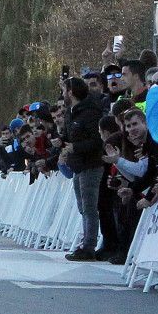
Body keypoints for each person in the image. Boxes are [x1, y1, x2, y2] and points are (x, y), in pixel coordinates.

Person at [60, 77, 106, 261]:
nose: (63, 94)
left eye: (64, 90)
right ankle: (86, 241)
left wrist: (75, 148)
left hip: (90, 164)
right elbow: (69, 135)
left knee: (89, 207)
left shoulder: (89, 112)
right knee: (82, 206)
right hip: (78, 165)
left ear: (71, 92)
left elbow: (96, 141)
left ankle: (89, 245)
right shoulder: (72, 112)